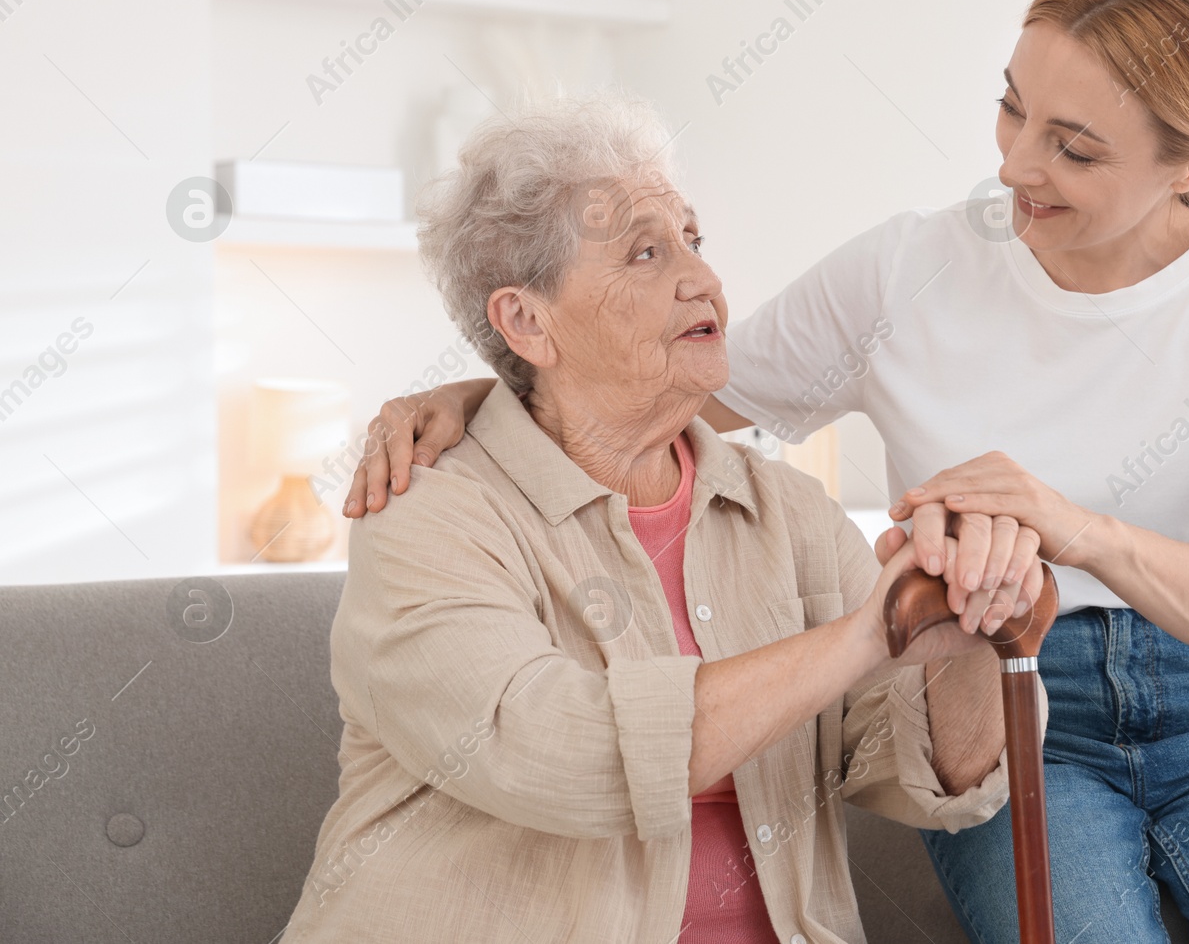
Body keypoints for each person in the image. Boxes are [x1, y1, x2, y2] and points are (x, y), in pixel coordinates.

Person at [344, 0, 1189, 943]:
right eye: (1012, 108)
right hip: (1024, 675)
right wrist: (485, 385)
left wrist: (1071, 529)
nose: (1015, 165)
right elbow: (665, 377)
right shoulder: (912, 268)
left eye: (1071, 147)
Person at [282, 91, 1050, 944]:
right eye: (645, 253)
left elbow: (926, 773)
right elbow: (563, 753)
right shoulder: (427, 512)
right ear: (527, 321)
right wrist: (871, 630)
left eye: (693, 239)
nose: (703, 278)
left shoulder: (784, 510)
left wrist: (968, 625)